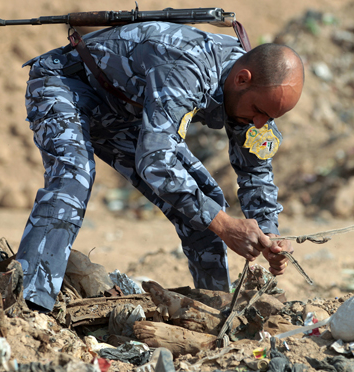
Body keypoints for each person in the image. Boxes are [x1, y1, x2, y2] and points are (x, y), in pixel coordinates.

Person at [15, 21, 305, 312]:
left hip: (124, 110)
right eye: (258, 112)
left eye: (269, 118)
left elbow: (255, 169)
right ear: (242, 79)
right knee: (73, 178)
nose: (259, 123)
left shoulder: (258, 96)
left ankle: (215, 309)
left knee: (204, 202)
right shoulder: (187, 67)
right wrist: (226, 226)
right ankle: (29, 303)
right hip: (64, 85)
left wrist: (270, 235)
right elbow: (155, 160)